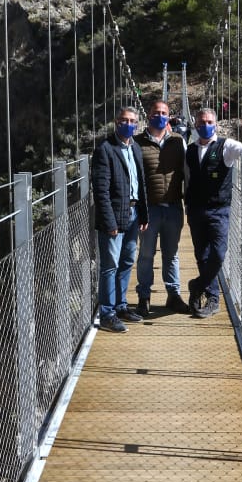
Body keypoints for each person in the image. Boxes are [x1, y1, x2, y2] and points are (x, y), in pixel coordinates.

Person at [184, 106, 242, 318]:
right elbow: (187, 179)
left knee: (218, 253)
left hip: (219, 210)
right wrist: (186, 205)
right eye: (201, 123)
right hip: (196, 210)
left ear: (215, 124)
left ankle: (198, 285)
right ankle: (212, 298)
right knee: (202, 255)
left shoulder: (226, 145)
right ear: (195, 125)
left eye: (209, 122)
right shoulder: (189, 150)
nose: (205, 126)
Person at [90, 104, 149, 332]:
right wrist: (109, 222)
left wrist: (144, 213)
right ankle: (107, 313)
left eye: (132, 121)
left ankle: (121, 305)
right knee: (110, 265)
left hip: (133, 214)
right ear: (117, 122)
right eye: (124, 120)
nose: (128, 124)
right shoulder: (105, 149)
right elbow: (101, 191)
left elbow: (140, 185)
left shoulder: (135, 148)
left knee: (126, 262)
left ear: (137, 124)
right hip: (114, 216)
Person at [134, 98, 190, 318]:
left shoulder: (178, 141)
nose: (160, 116)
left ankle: (173, 294)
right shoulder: (137, 142)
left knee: (172, 254)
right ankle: (143, 297)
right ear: (149, 115)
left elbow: (188, 171)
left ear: (169, 116)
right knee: (146, 254)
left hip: (174, 207)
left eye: (164, 113)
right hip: (149, 209)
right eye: (156, 112)